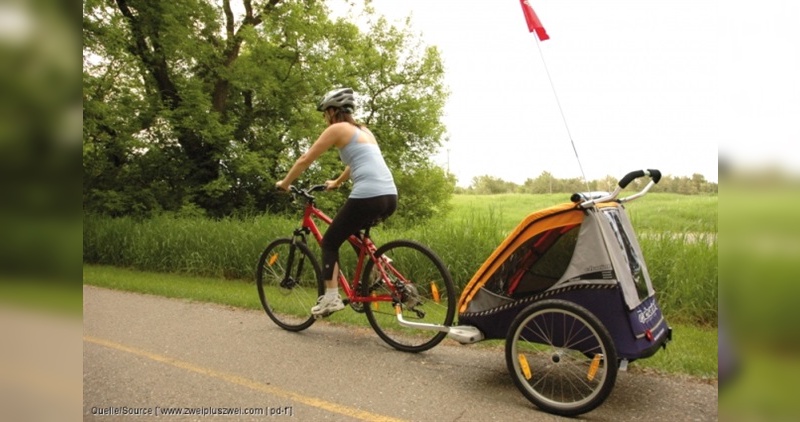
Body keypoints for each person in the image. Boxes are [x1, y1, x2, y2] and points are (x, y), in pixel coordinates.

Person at [275, 88, 398, 316]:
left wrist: (285, 182)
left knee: (330, 242)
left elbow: (306, 158)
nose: (325, 117)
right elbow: (356, 162)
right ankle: (379, 268)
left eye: (325, 112)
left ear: (333, 111)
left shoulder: (336, 129)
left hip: (368, 194)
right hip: (389, 196)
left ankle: (331, 298)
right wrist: (338, 182)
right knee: (353, 233)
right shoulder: (364, 131)